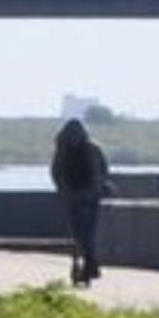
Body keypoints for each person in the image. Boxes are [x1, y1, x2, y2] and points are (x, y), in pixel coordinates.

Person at [49, 118, 111, 285]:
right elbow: (104, 170)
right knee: (88, 233)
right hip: (90, 197)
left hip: (75, 197)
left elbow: (55, 173)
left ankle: (84, 263)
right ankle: (89, 263)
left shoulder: (62, 150)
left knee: (78, 234)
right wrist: (101, 186)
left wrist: (62, 191)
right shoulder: (93, 148)